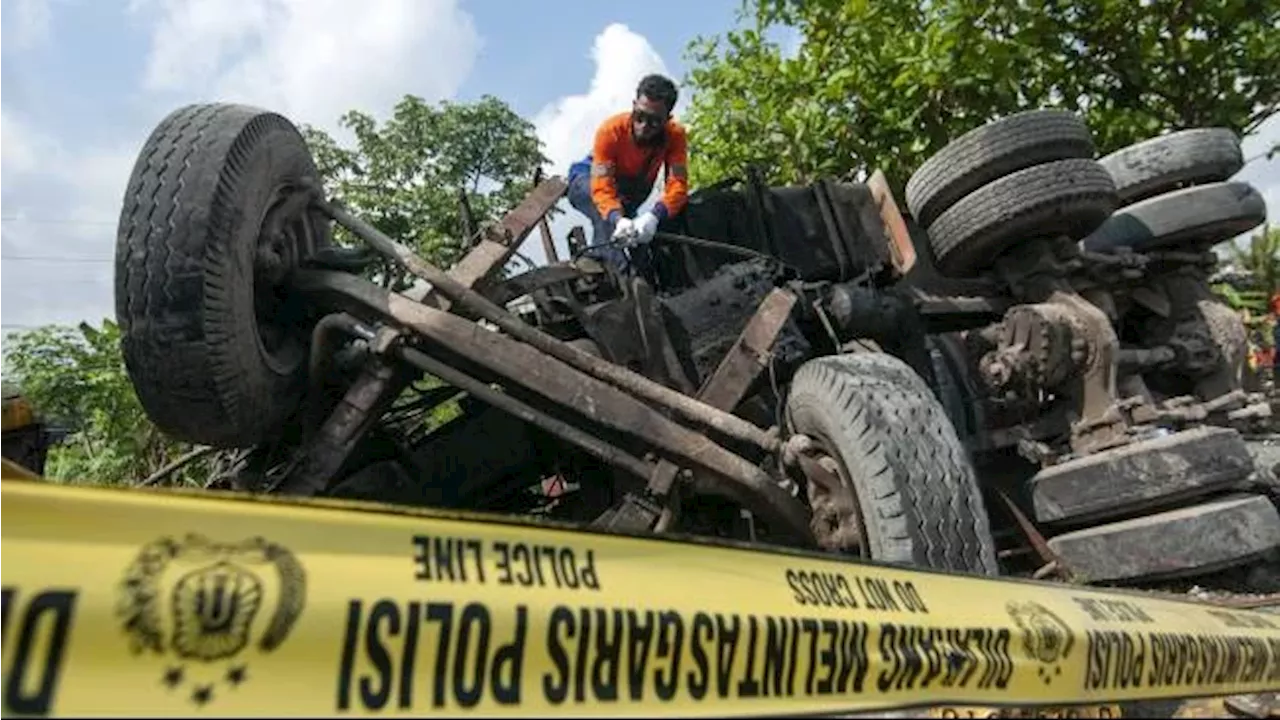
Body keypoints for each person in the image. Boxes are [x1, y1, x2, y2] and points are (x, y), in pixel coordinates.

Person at [566, 73, 689, 274]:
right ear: (633, 105)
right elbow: (602, 189)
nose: (643, 127)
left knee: (640, 247)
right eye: (639, 117)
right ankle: (627, 280)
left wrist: (655, 216)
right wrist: (617, 219)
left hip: (626, 198)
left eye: (654, 121)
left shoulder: (675, 136)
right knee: (606, 219)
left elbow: (678, 185)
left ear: (667, 119)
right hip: (588, 181)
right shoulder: (610, 131)